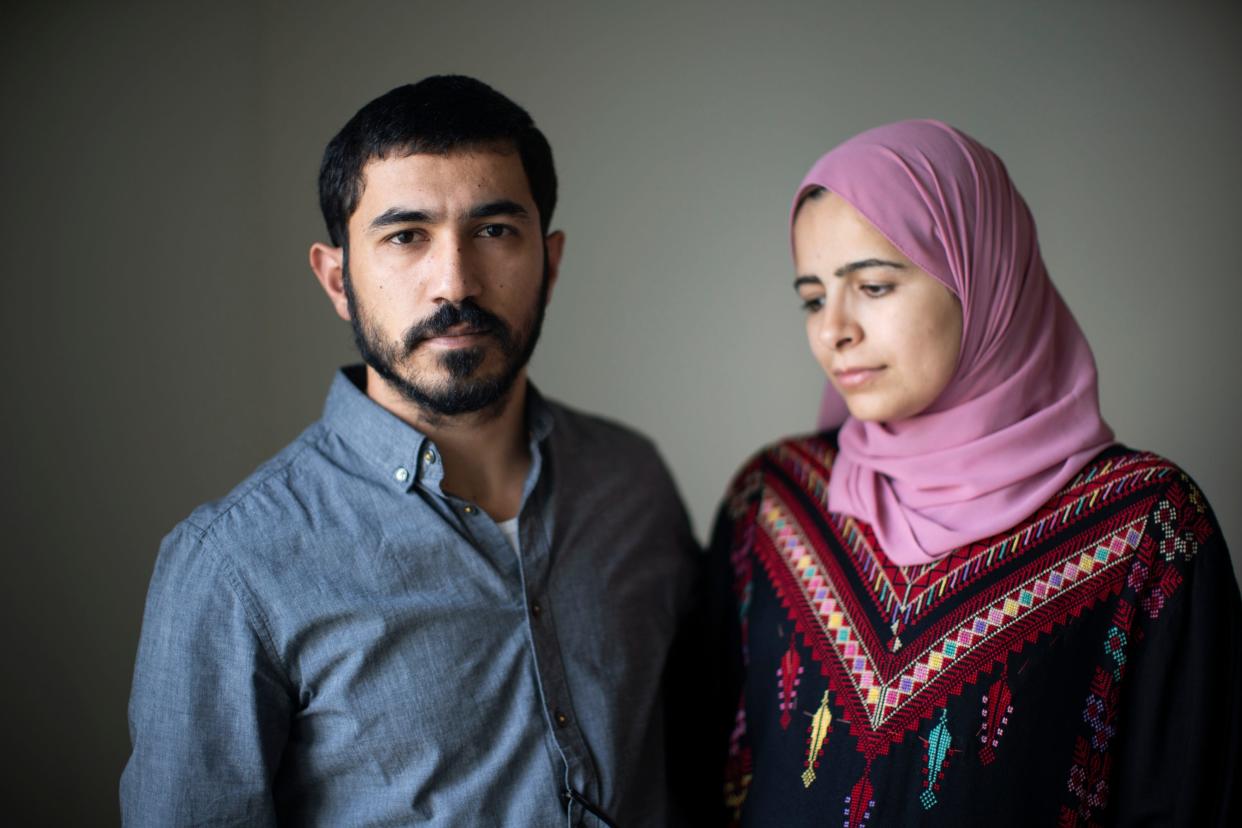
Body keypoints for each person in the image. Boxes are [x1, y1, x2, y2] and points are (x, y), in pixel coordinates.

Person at [121, 76, 699, 826]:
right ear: (338, 280)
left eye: (495, 230)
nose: (455, 282)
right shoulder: (232, 567)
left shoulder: (632, 483)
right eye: (405, 236)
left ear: (549, 263)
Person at [708, 120, 1240, 826]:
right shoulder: (774, 500)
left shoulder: (1151, 530)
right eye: (812, 297)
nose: (833, 328)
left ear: (979, 274)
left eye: (871, 286)